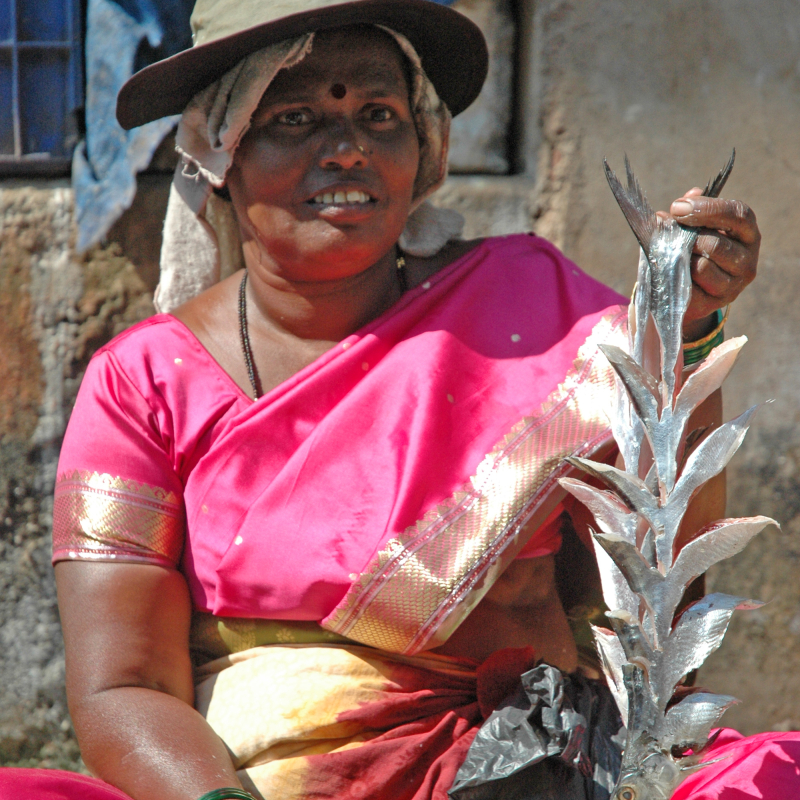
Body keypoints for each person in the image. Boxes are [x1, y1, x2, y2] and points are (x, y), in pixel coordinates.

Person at [1, 0, 796, 798]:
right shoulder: (142, 383)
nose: (345, 149)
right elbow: (123, 686)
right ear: (222, 150)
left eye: (379, 115)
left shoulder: (536, 311)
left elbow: (668, 602)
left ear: (424, 149)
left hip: (535, 775)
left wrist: (678, 329)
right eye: (296, 116)